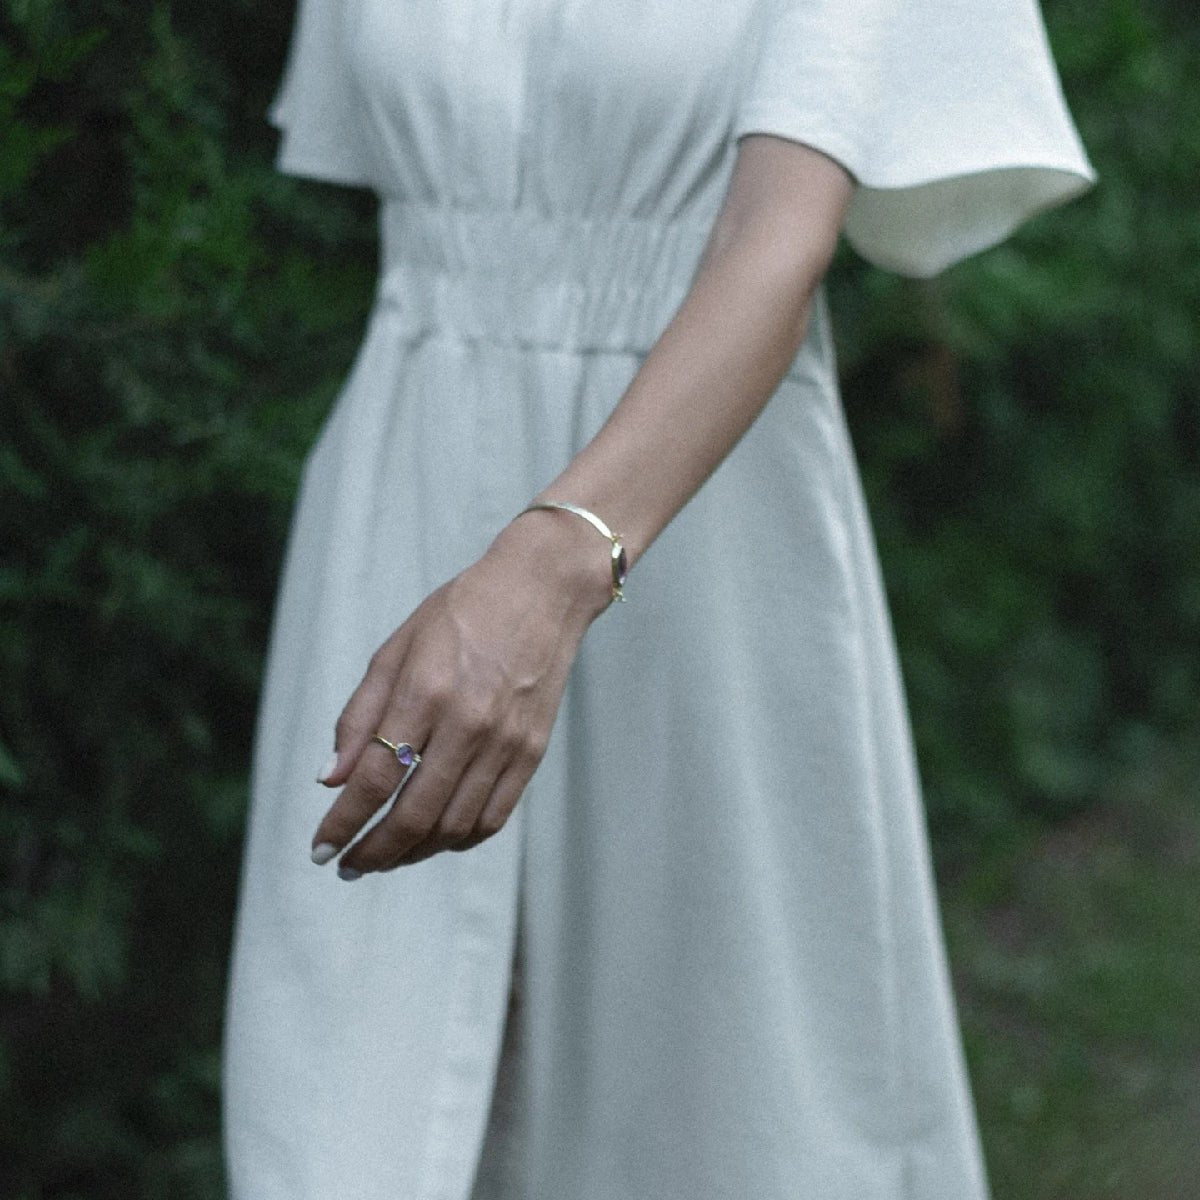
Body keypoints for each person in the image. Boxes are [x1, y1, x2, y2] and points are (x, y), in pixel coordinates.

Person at [222, 1, 1095, 1197]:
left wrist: (553, 564)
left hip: (711, 546)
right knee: (347, 1114)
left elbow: (775, 244)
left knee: (722, 1112)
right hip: (398, 506)